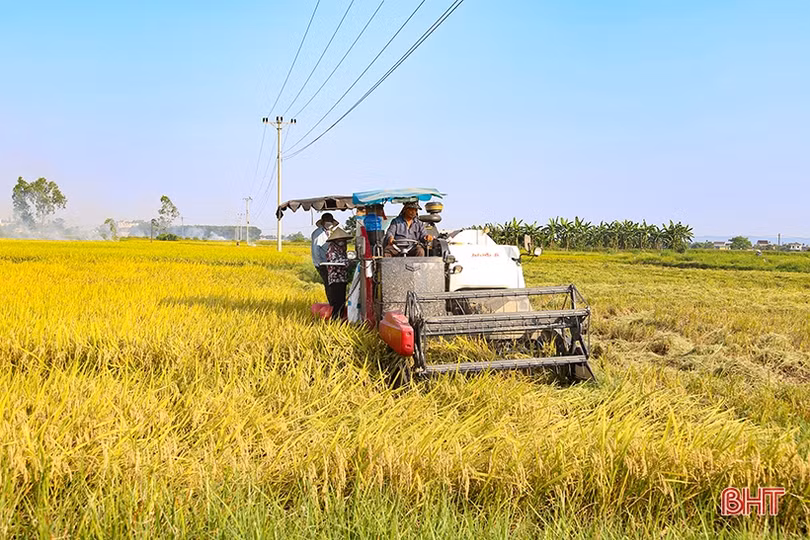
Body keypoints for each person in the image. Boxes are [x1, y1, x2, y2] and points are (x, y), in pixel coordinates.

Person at [323, 226, 351, 320]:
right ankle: (335, 321)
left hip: (342, 278)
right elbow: (337, 262)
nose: (342, 241)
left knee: (342, 301)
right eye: (340, 240)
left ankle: (340, 319)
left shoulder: (341, 249)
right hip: (335, 279)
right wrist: (349, 262)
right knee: (337, 302)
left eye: (343, 240)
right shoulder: (332, 250)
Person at [311, 212, 338, 294]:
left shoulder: (329, 233)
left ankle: (333, 303)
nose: (329, 222)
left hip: (330, 263)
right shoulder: (318, 233)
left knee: (333, 284)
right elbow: (315, 249)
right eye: (327, 220)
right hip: (323, 263)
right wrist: (320, 264)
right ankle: (332, 303)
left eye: (330, 220)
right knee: (328, 284)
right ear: (322, 222)